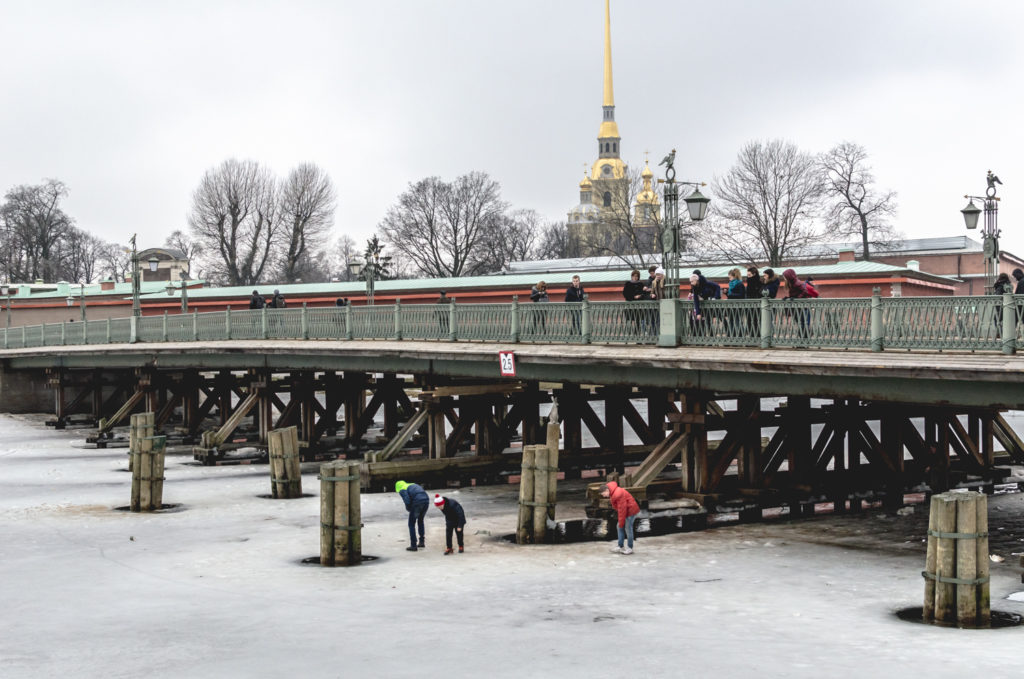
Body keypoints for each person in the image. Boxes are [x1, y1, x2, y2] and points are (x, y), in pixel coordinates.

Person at [602, 481, 640, 555]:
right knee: (619, 527)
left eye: (603, 494)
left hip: (631, 511)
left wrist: (621, 522)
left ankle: (630, 548)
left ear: (606, 490)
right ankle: (620, 546)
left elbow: (622, 509)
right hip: (626, 510)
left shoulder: (618, 494)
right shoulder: (613, 491)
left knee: (628, 528)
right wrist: (621, 523)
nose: (604, 496)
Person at [395, 480, 429, 551]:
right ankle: (421, 542)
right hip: (426, 500)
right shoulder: (412, 484)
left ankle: (413, 545)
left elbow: (407, 501)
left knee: (411, 524)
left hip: (417, 502)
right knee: (420, 521)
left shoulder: (402, 489)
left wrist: (409, 509)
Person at [689, 271, 721, 336]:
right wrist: (698, 313)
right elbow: (696, 300)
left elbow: (717, 286)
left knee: (720, 317)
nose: (691, 283)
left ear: (696, 280)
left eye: (692, 281)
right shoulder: (695, 288)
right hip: (706, 304)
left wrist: (716, 297)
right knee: (707, 320)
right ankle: (711, 337)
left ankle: (714, 336)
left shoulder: (706, 283)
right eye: (690, 282)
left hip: (713, 302)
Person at [622, 269, 647, 336]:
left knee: (638, 320)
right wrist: (633, 297)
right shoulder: (628, 284)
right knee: (629, 319)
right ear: (632, 276)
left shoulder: (641, 284)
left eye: (637, 276)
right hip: (630, 305)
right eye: (634, 276)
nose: (635, 278)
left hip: (639, 305)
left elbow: (644, 294)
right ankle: (629, 334)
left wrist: (640, 296)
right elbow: (625, 294)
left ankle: (637, 334)